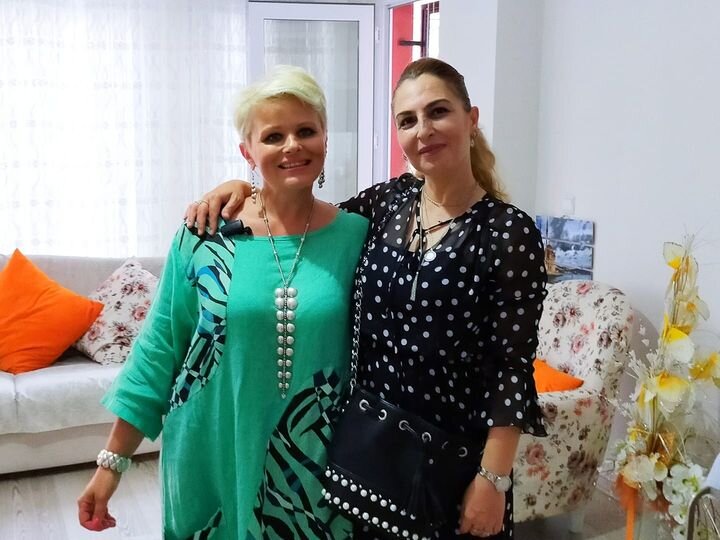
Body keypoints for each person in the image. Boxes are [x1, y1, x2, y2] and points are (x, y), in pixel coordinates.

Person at [185, 57, 548, 539]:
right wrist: (243, 185)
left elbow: (512, 368)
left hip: (454, 466)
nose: (424, 130)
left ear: (471, 119)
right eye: (408, 120)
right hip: (369, 457)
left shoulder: (509, 232)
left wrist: (493, 479)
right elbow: (303, 218)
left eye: (438, 111)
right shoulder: (386, 204)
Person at [77, 66, 368, 539]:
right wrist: (111, 465)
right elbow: (160, 349)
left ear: (326, 139)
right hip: (208, 452)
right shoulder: (204, 235)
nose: (292, 146)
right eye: (273, 136)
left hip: (311, 466)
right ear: (247, 151)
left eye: (306, 131)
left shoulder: (358, 235)